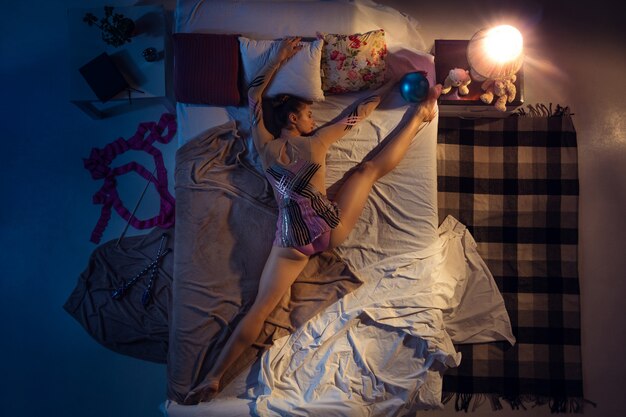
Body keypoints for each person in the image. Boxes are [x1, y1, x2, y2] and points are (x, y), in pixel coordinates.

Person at [199, 36, 441, 397]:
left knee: (260, 309)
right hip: (330, 227)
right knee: (367, 171)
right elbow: (357, 113)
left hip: (292, 244)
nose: (314, 119)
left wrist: (278, 58)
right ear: (293, 118)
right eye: (309, 114)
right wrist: (389, 85)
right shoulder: (316, 143)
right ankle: (418, 117)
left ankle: (214, 375)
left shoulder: (263, 147)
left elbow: (253, 94)